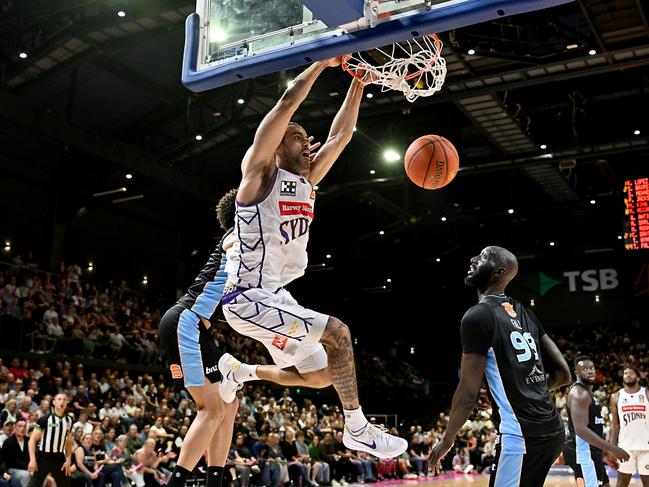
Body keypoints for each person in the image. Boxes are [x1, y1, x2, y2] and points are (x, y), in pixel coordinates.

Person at [216, 56, 407, 459]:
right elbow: (285, 106)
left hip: (274, 296)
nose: (308, 141)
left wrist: (359, 82)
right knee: (338, 332)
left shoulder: (303, 181)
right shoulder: (258, 175)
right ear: (276, 147)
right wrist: (322, 62)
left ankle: (241, 371)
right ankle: (357, 428)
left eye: (306, 137)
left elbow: (341, 137)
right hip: (245, 298)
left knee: (322, 375)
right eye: (297, 137)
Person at [427, 246, 572, 486]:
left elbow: (467, 394)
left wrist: (447, 440)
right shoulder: (524, 311)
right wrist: (523, 389)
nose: (473, 258)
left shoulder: (477, 316)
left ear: (498, 272)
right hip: (553, 430)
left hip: (523, 436)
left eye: (483, 256)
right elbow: (563, 374)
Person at [157, 189, 241, 487]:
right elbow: (236, 241)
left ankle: (214, 482)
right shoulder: (237, 233)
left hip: (196, 328)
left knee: (230, 402)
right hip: (185, 322)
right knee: (212, 407)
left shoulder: (247, 234)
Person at [563, 356, 630, 487]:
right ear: (576, 373)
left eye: (591, 368)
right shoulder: (579, 393)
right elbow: (581, 430)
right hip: (582, 453)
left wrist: (605, 454)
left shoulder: (590, 394)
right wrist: (613, 448)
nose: (589, 371)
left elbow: (594, 427)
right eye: (584, 369)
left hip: (592, 452)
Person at [610, 366, 649, 487]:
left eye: (631, 373)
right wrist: (612, 446)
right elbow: (615, 425)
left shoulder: (646, 393)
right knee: (622, 482)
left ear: (638, 378)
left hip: (647, 447)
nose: (627, 375)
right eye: (625, 373)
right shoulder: (616, 396)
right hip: (625, 447)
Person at [27, 393, 74, 487]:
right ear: (54, 402)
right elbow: (32, 440)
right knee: (34, 485)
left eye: (64, 399)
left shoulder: (69, 420)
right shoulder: (45, 419)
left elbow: (69, 442)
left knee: (65, 484)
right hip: (43, 457)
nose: (62, 401)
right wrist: (32, 460)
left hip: (59, 458)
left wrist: (68, 460)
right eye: (59, 399)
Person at [1, 419, 29, 487]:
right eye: (20, 426)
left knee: (42, 475)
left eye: (24, 426)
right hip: (12, 469)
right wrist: (29, 469)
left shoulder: (29, 440)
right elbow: (15, 460)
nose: (22, 428)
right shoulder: (8, 442)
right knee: (26, 475)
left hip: (25, 468)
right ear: (15, 428)